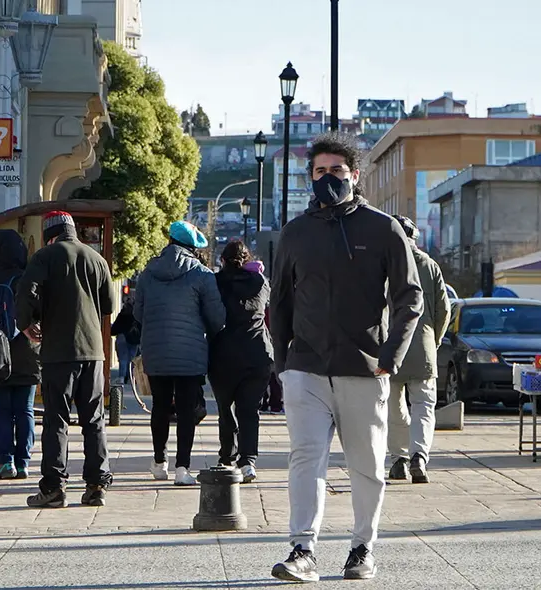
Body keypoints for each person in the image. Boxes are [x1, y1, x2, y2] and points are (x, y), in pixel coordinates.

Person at [269, 132, 423, 582]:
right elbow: (279, 303)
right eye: (319, 171)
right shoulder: (295, 233)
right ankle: (302, 549)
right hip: (306, 370)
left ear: (355, 176)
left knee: (368, 465)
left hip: (364, 366)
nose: (328, 178)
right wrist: (284, 363)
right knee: (305, 458)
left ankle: (362, 548)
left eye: (337, 170)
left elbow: (408, 297)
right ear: (309, 177)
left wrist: (390, 355)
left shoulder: (382, 229)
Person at [16, 211, 115, 508]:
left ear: (50, 234)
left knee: (57, 421)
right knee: (94, 420)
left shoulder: (45, 257)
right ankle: (97, 485)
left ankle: (54, 488)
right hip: (94, 352)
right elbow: (108, 304)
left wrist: (26, 323)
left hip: (59, 352)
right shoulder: (97, 259)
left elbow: (24, 293)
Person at [134, 221, 225, 486]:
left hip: (156, 351)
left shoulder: (148, 274)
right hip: (191, 353)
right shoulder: (203, 275)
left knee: (160, 406)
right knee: (187, 409)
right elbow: (217, 318)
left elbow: (138, 313)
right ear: (193, 248)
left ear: (170, 241)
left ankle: (159, 462)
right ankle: (182, 468)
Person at [387, 216, 451, 485]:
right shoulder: (430, 265)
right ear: (414, 238)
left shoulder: (384, 265)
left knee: (392, 407)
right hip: (423, 346)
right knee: (424, 405)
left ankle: (399, 459)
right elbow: (444, 309)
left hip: (388, 346)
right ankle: (419, 457)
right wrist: (433, 340)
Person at [209, 241, 272, 484]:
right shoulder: (260, 283)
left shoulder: (214, 282)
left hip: (223, 355)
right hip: (257, 354)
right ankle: (248, 462)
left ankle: (227, 456)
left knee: (226, 410)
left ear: (223, 260)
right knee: (249, 411)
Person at [0, 229, 41, 481]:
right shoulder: (26, 276)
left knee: (3, 410)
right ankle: (24, 462)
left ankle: (5, 461)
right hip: (28, 351)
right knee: (26, 409)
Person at [110, 293, 141, 390]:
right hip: (135, 338)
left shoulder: (122, 314)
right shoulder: (137, 315)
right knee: (132, 358)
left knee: (123, 358)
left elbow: (114, 328)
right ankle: (131, 378)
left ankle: (122, 377)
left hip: (122, 337)